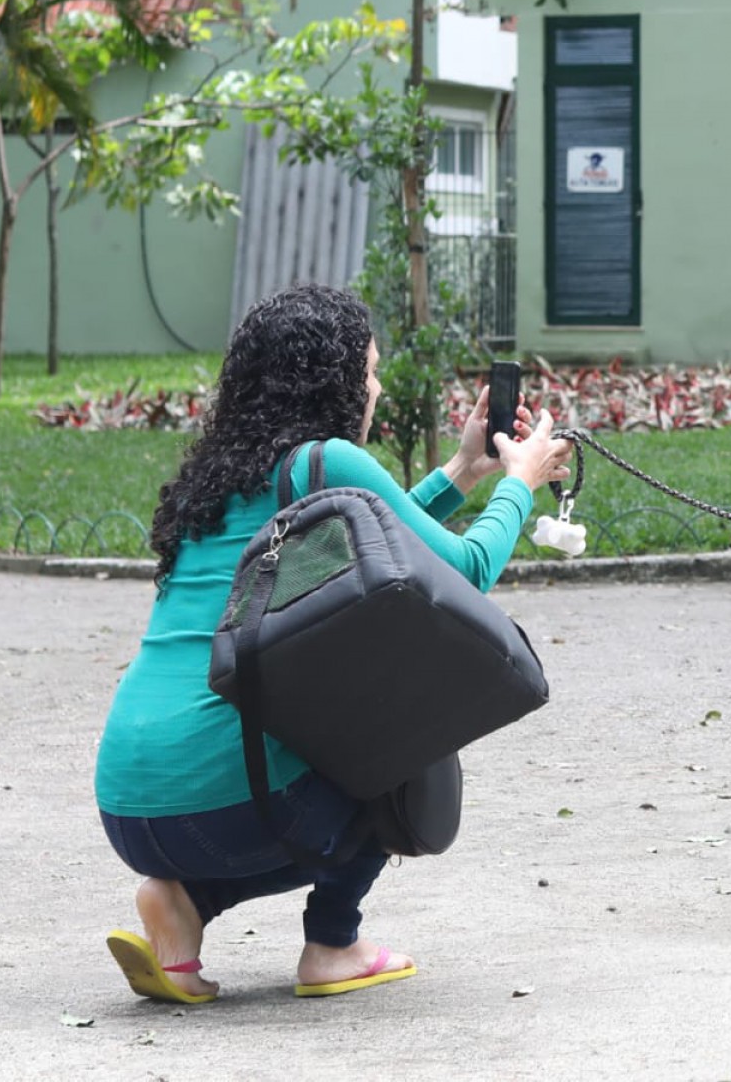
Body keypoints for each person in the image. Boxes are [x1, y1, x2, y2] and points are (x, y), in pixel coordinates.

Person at [96, 284, 572, 1002]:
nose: (376, 388)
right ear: (334, 381)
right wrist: (519, 481)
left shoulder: (215, 480)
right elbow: (466, 569)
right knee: (404, 716)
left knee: (296, 734)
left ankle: (184, 907)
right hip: (224, 802)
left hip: (129, 803)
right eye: (370, 371)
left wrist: (464, 471)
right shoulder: (326, 457)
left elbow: (373, 535)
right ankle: (334, 943)